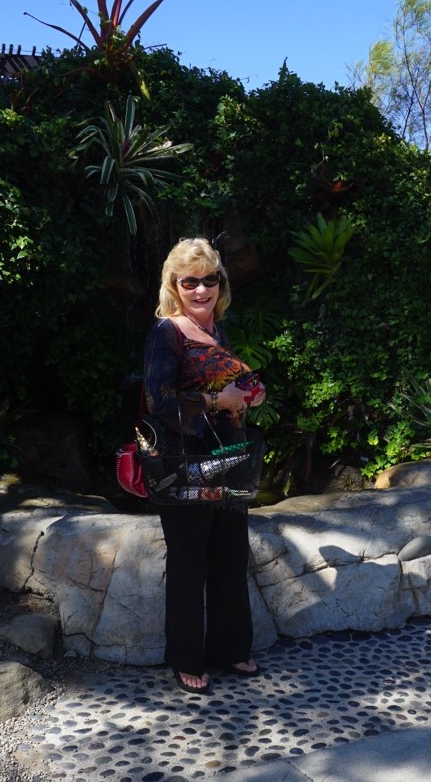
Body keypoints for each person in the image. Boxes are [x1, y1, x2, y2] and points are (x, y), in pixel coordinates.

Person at [143, 236, 266, 695]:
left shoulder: (216, 331)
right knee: (190, 560)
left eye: (209, 280)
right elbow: (158, 401)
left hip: (226, 457)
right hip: (184, 462)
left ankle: (230, 647)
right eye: (189, 282)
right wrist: (218, 401)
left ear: (220, 283)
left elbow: (229, 382)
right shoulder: (167, 333)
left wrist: (247, 394)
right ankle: (186, 658)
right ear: (174, 286)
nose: (200, 290)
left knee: (231, 554)